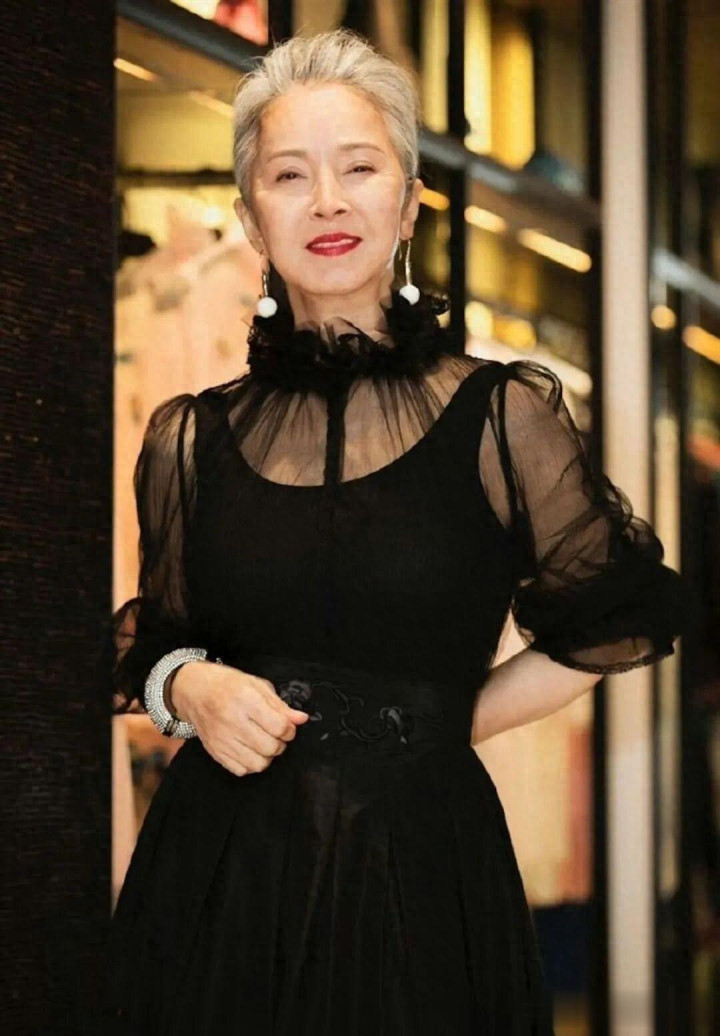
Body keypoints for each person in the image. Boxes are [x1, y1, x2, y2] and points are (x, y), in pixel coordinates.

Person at [105, 28, 687, 1036]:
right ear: (251, 216)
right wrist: (187, 686)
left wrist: (444, 722)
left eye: (359, 167)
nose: (327, 200)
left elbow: (618, 615)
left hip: (423, 870)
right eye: (290, 175)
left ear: (408, 203)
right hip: (222, 884)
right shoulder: (188, 437)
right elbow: (155, 639)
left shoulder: (502, 415)